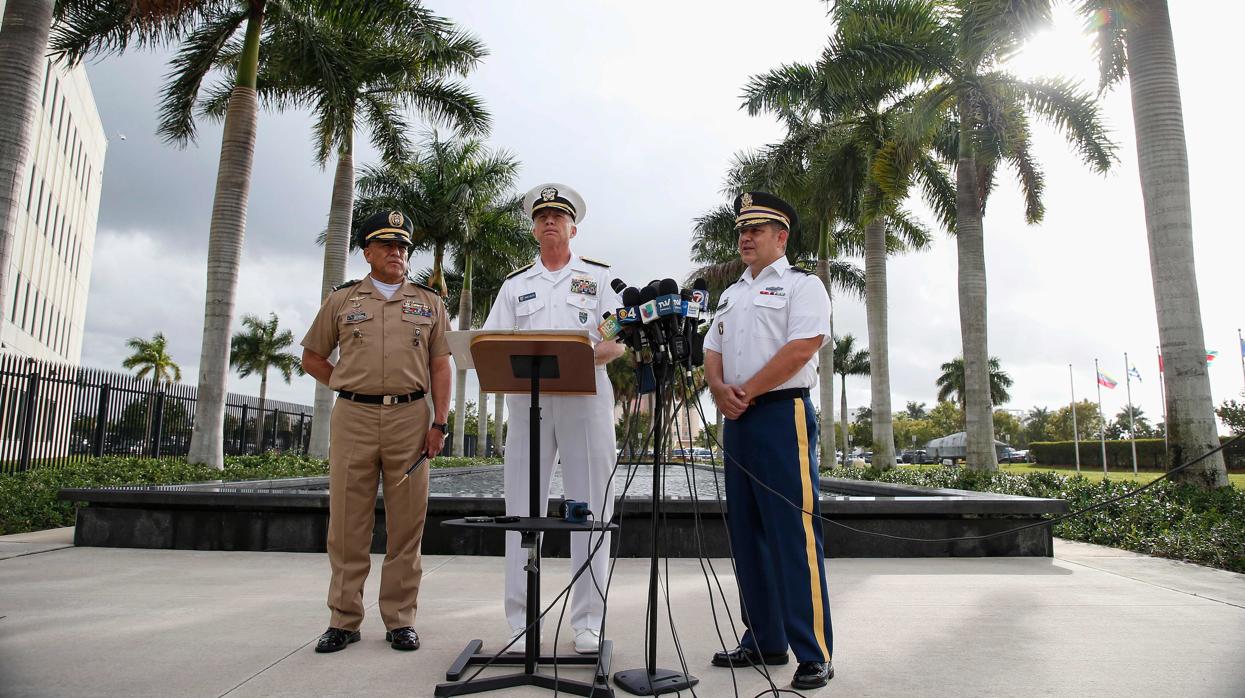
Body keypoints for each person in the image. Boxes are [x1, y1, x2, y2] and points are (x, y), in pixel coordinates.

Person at [481, 183, 625, 654]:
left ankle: (587, 622)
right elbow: (491, 342)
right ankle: (522, 623)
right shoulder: (515, 285)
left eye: (558, 217)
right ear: (533, 229)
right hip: (528, 403)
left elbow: (616, 334)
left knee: (591, 510)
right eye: (542, 216)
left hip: (586, 399)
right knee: (521, 510)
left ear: (573, 227)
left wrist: (582, 354)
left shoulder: (600, 279)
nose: (549, 222)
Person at [300, 210, 452, 654]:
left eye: (403, 246)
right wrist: (347, 383)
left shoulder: (430, 303)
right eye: (386, 245)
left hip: (410, 420)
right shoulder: (343, 302)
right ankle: (344, 620)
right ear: (367, 252)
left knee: (407, 526)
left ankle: (400, 620)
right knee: (348, 524)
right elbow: (312, 356)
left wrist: (439, 422)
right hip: (354, 419)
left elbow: (440, 365)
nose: (397, 252)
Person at [702, 191, 835, 689]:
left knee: (792, 534)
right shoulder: (732, 293)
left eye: (756, 230)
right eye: (742, 230)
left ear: (782, 237)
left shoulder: (804, 286)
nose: (746, 237)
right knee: (747, 534)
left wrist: (745, 392)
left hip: (782, 416)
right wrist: (719, 390)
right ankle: (764, 638)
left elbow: (802, 347)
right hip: (737, 419)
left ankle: (813, 650)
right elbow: (712, 347)